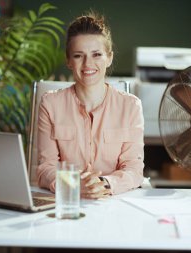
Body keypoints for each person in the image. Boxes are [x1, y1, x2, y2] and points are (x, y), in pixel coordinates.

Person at [36, 12, 144, 199]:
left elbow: (134, 169)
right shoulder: (50, 104)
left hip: (113, 202)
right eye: (79, 56)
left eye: (97, 55)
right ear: (68, 60)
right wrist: (74, 185)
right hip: (67, 202)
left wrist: (103, 184)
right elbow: (46, 169)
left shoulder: (131, 106)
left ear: (109, 58)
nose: (88, 64)